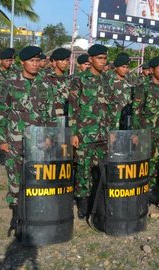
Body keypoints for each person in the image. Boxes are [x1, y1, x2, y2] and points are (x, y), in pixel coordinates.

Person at [0, 46, 61, 235]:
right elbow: (0, 112)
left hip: (40, 142)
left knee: (38, 176)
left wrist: (50, 137)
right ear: (22, 62)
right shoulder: (10, 82)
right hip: (15, 140)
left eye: (37, 61)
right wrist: (2, 139)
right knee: (15, 178)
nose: (34, 64)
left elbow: (51, 114)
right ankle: (16, 215)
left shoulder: (46, 84)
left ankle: (36, 210)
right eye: (31, 61)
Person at [69, 44, 110, 219]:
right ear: (91, 59)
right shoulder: (79, 80)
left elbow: (110, 109)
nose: (102, 62)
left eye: (105, 58)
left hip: (103, 134)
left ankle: (97, 199)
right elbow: (72, 108)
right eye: (99, 58)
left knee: (99, 169)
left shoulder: (106, 80)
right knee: (83, 170)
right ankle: (82, 203)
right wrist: (73, 133)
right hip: (85, 134)